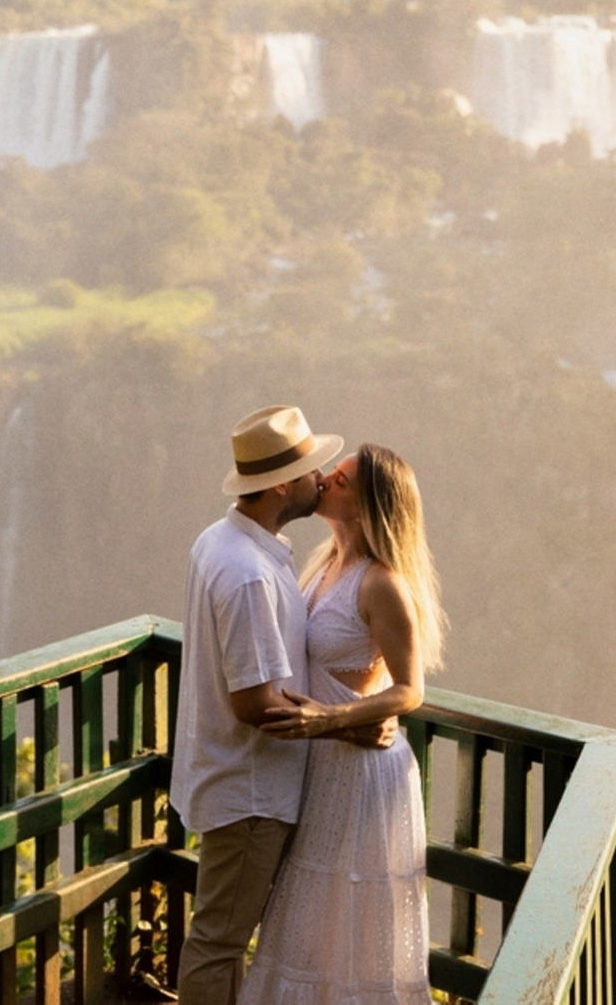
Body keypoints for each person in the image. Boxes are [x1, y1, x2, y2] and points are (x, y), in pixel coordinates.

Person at [170, 405, 390, 1005]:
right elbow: (253, 703)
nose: (321, 479)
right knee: (218, 942)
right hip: (250, 792)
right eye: (312, 470)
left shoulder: (223, 542)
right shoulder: (249, 573)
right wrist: (346, 727)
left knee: (222, 938)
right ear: (281, 487)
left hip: (231, 778)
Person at [240, 443, 449, 1005]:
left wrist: (332, 717)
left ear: (370, 502)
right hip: (324, 761)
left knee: (355, 925)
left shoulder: (381, 583)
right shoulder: (319, 565)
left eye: (342, 478)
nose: (325, 480)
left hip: (363, 777)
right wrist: (329, 726)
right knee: (311, 916)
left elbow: (409, 689)